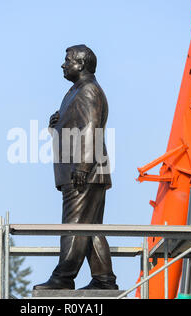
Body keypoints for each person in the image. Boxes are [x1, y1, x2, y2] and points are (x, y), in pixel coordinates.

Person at [33, 44, 118, 290]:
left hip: (83, 172)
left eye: (67, 60)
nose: (63, 64)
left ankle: (63, 277)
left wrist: (82, 167)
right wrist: (55, 126)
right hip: (84, 171)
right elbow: (76, 129)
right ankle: (104, 280)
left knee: (73, 225)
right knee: (90, 228)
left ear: (80, 64)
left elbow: (91, 130)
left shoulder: (88, 90)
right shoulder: (75, 91)